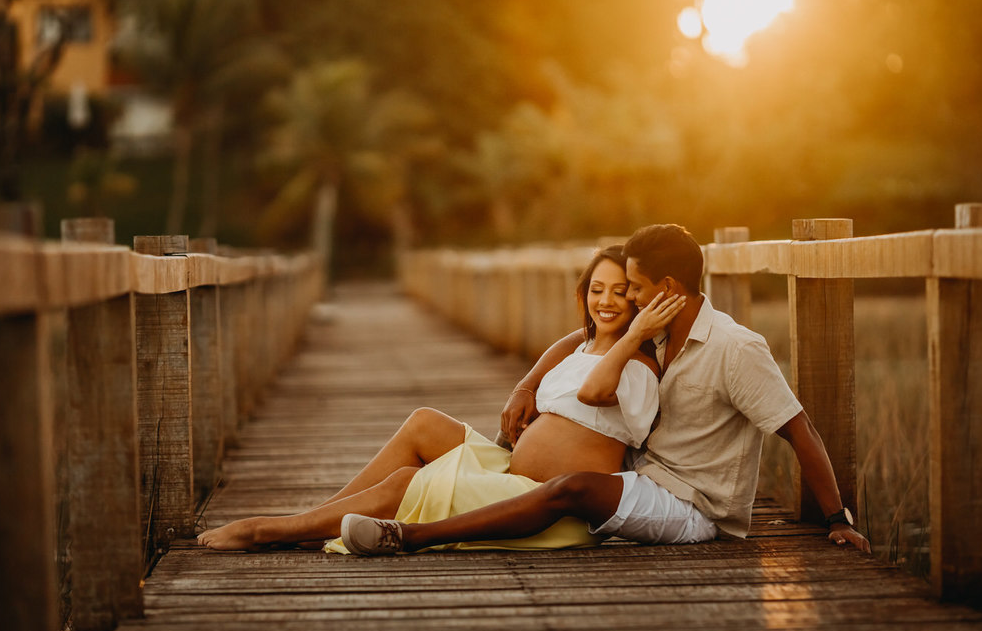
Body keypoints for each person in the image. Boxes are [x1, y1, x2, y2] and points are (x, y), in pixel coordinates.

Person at [339, 224, 872, 556]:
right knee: (569, 479)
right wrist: (528, 382)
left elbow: (798, 430)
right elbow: (589, 333)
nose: (626, 299)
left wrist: (834, 519)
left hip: (695, 506)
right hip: (644, 474)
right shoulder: (659, 329)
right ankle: (340, 519)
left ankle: (410, 537)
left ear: (666, 290)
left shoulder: (736, 349)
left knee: (574, 488)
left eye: (633, 287)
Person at [197, 245, 676, 553]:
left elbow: (595, 387)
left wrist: (636, 335)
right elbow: (575, 342)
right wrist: (524, 387)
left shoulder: (636, 364)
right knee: (424, 422)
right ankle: (312, 521)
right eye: (596, 290)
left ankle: (274, 531)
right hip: (510, 474)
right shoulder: (587, 344)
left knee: (409, 479)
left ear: (640, 303)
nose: (606, 301)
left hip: (543, 507)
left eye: (621, 293)